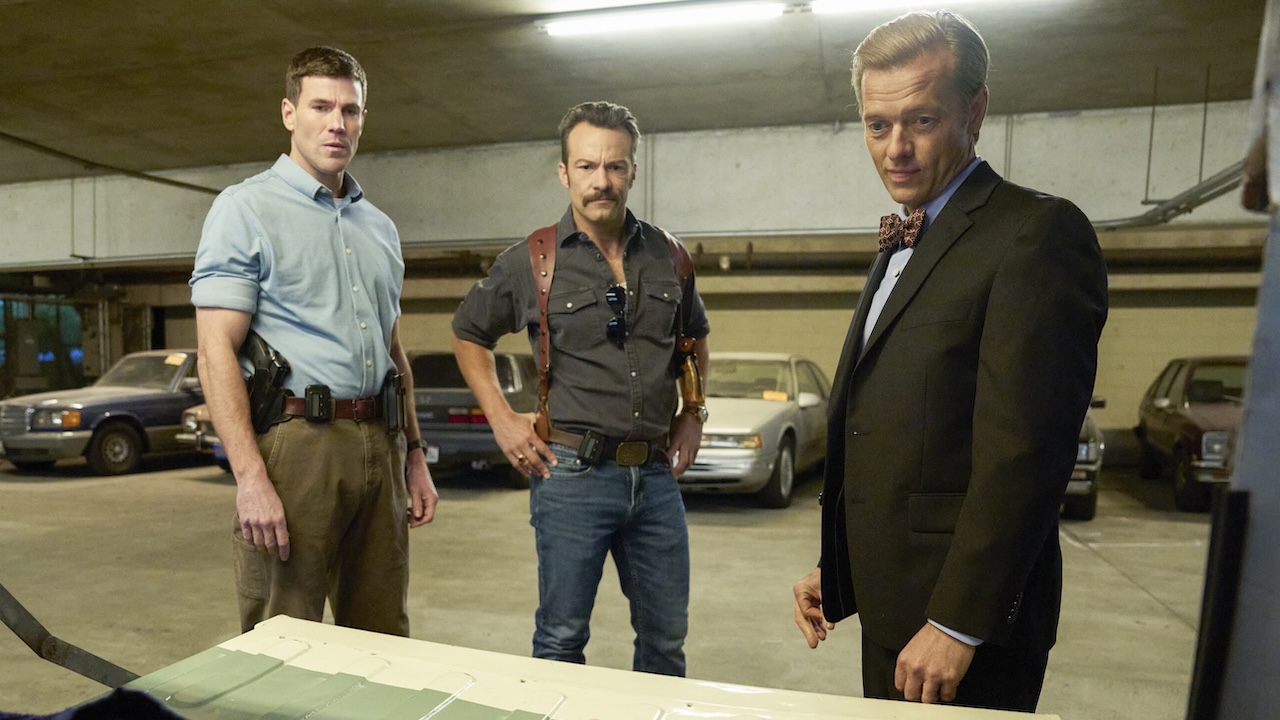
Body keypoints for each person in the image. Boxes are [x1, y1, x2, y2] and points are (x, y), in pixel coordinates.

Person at [790, 11, 1108, 712]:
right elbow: (891, 429)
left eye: (922, 121)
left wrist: (958, 623)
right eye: (877, 125)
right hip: (890, 604)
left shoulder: (1035, 235)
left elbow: (1026, 455)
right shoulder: (908, 241)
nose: (895, 149)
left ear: (977, 111)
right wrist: (838, 565)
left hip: (962, 630)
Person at [452, 101, 710, 677]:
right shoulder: (534, 260)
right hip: (571, 474)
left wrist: (693, 412)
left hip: (656, 479)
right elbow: (469, 333)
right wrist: (500, 417)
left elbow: (692, 337)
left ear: (633, 171)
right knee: (562, 642)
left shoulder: (670, 257)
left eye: (615, 167)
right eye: (588, 167)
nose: (602, 181)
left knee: (666, 641)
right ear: (564, 172)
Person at [190, 46, 438, 636]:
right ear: (288, 113)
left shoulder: (379, 226)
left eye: (351, 110)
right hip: (299, 445)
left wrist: (415, 453)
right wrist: (250, 478)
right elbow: (214, 351)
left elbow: (392, 347)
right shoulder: (244, 209)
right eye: (321, 106)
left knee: (383, 634)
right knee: (285, 633)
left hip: (381, 440)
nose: (337, 123)